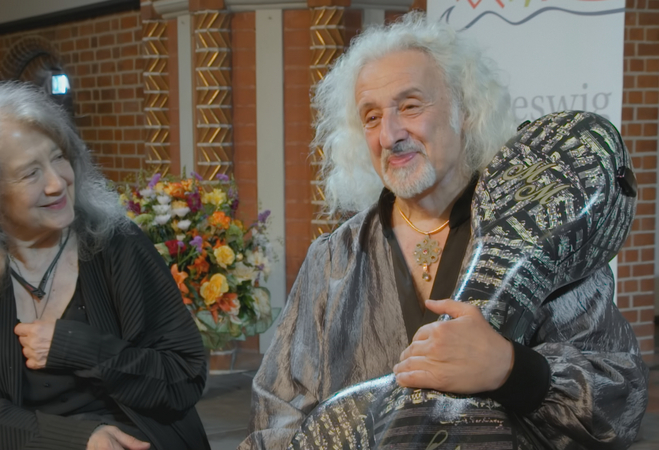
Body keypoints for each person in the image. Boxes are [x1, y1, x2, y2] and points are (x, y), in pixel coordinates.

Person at [240, 12, 648, 450]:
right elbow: (277, 409)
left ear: (467, 111)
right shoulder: (333, 257)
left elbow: (620, 399)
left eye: (410, 105)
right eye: (372, 117)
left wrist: (512, 369)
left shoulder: (545, 231)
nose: (390, 134)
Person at [0, 80, 211, 450]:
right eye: (31, 173)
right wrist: (78, 440)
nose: (58, 182)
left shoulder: (118, 244)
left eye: (58, 157)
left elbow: (183, 379)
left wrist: (78, 347)